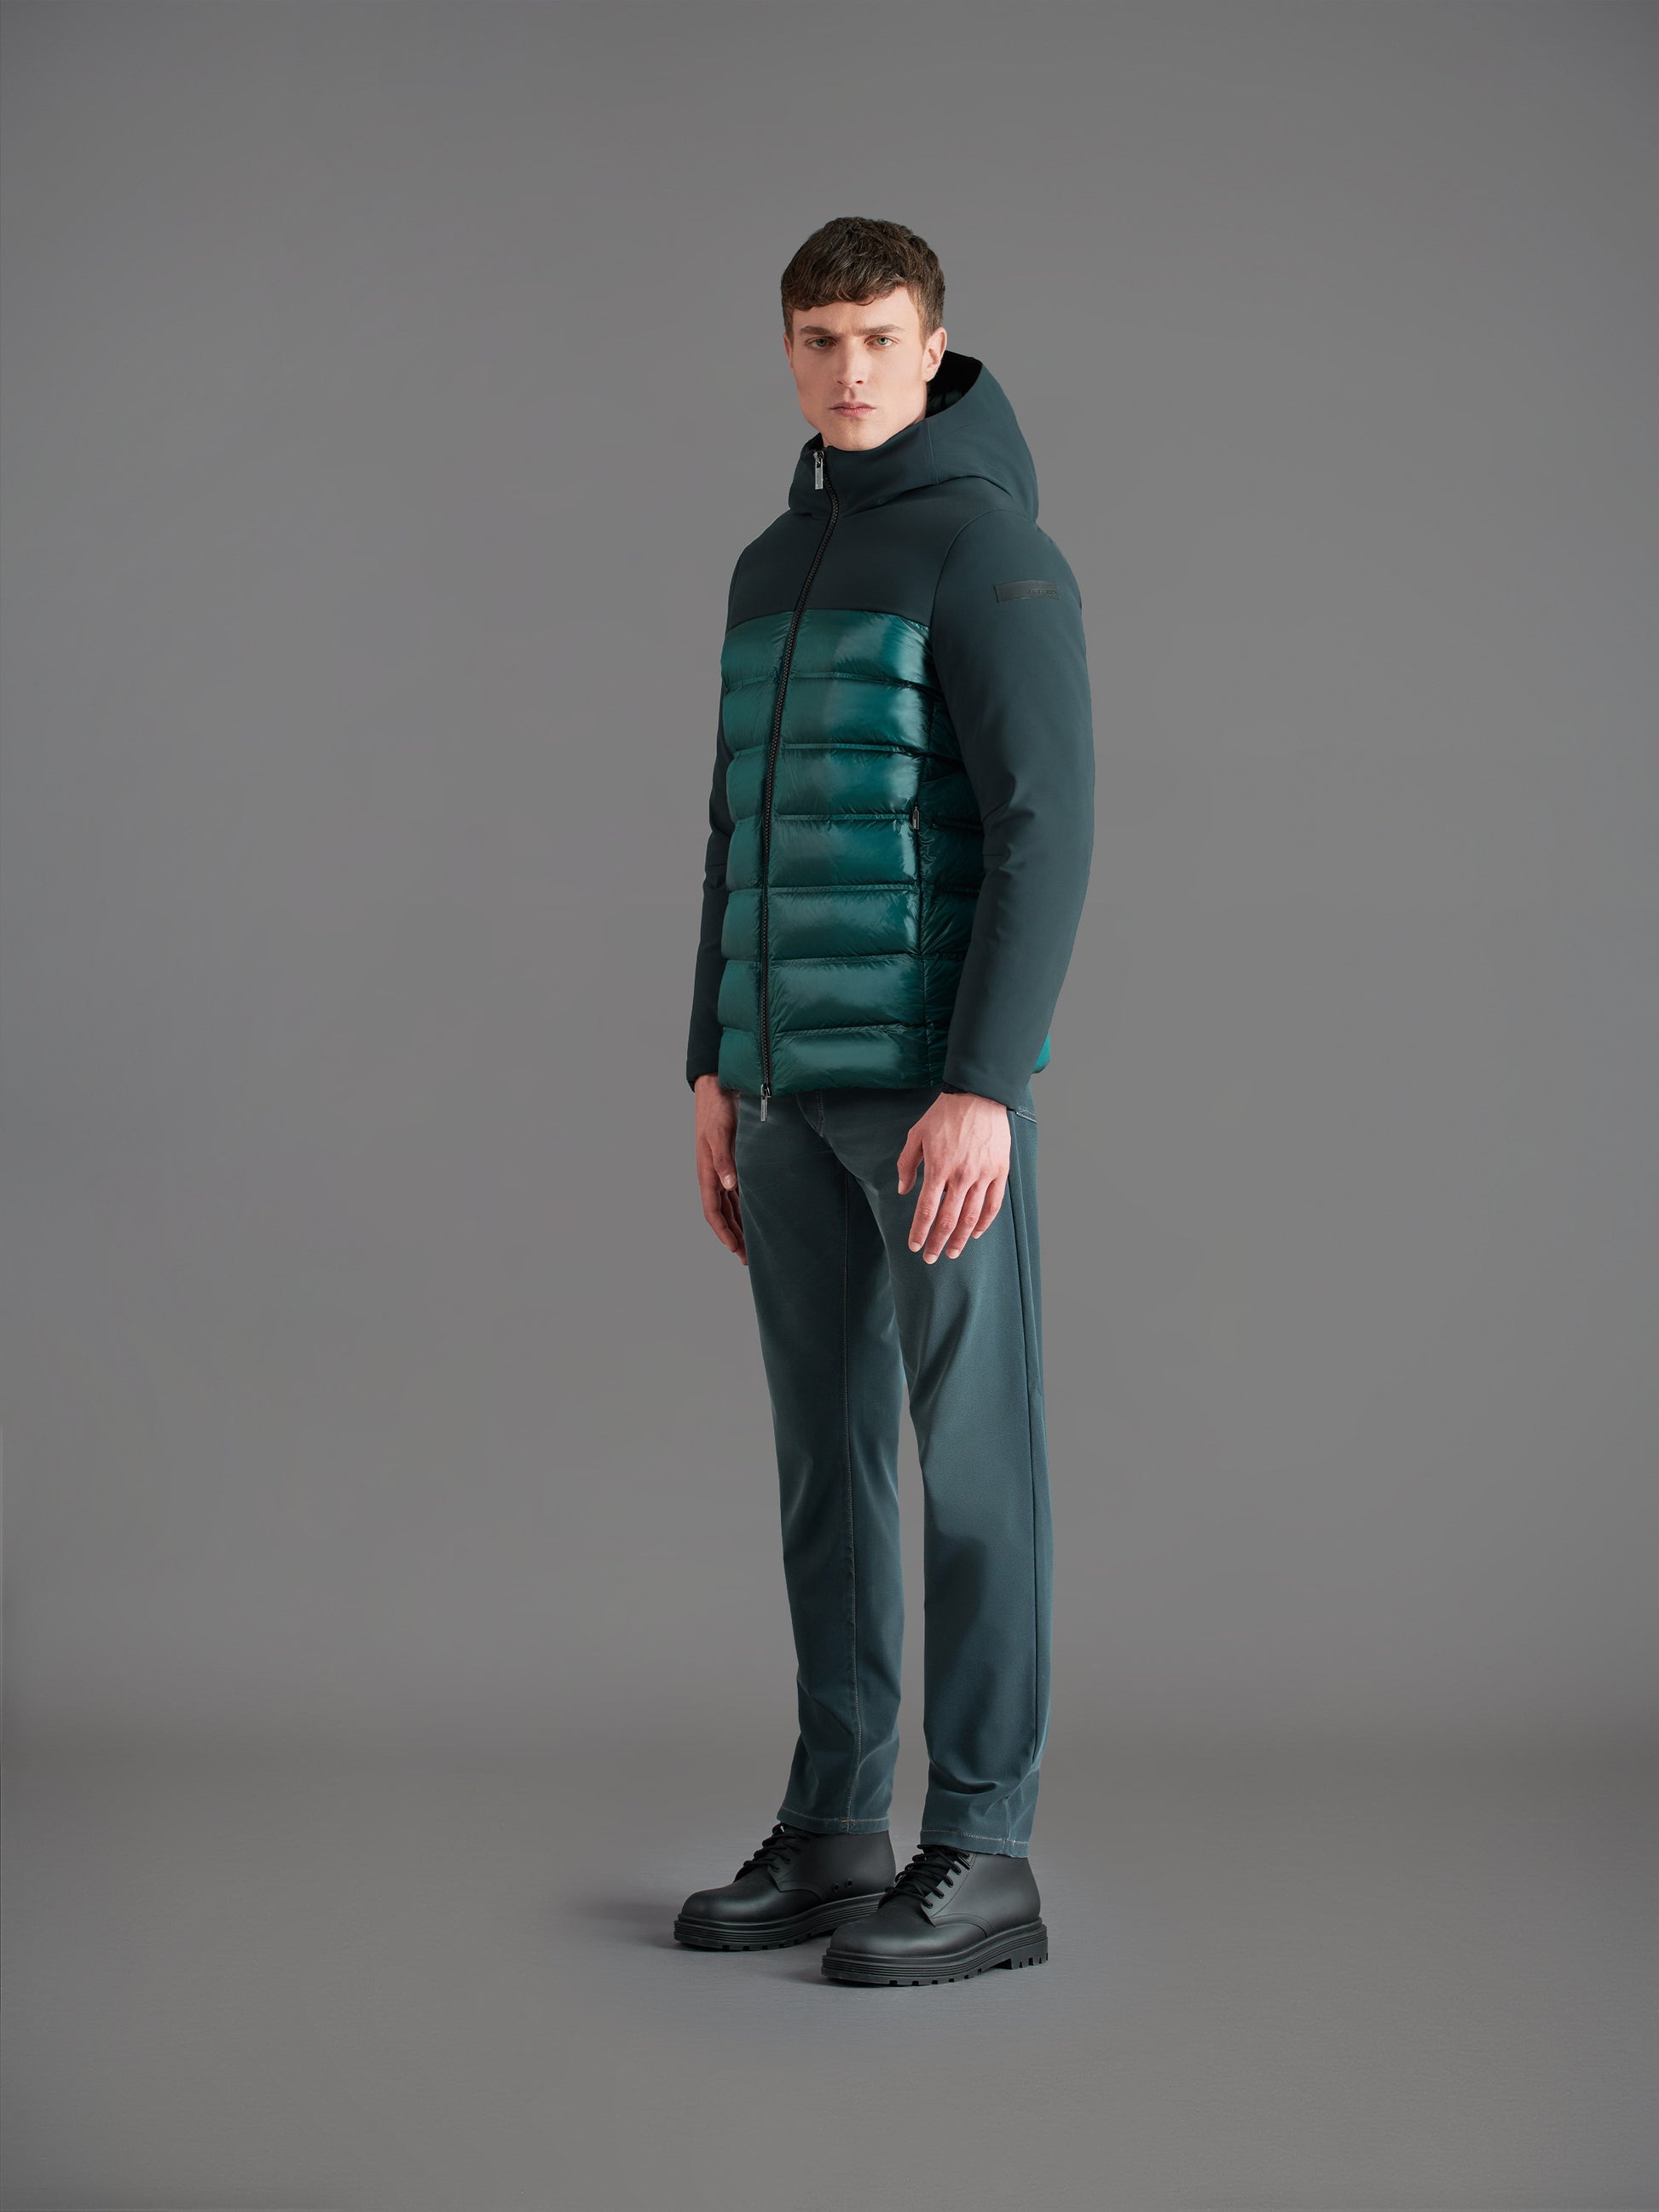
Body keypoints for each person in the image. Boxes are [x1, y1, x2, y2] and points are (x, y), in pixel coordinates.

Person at [676, 217, 1095, 1987]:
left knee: (973, 1469)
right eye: (816, 338)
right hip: (781, 1090)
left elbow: (1044, 826)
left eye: (876, 336)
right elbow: (738, 828)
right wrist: (711, 1059)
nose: (846, 369)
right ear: (786, 351)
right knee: (825, 1476)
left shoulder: (989, 552)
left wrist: (984, 1086)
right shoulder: (768, 562)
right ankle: (838, 1821)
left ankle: (982, 1847)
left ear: (933, 347)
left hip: (927, 1104)